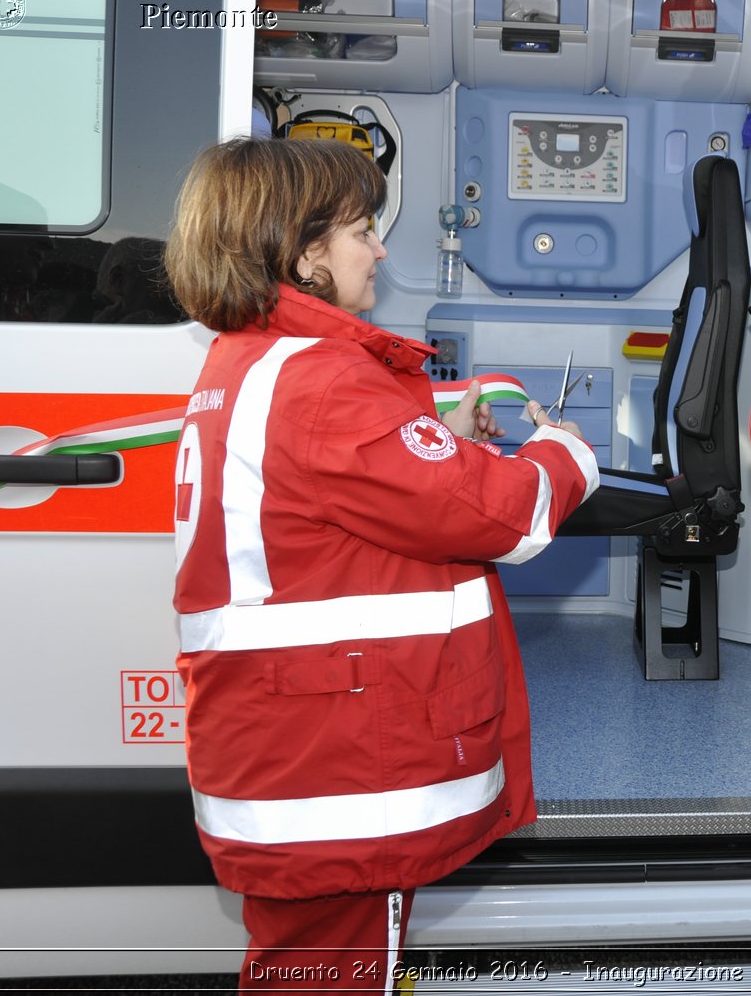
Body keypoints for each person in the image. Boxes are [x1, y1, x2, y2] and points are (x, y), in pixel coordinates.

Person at [164, 137, 598, 991]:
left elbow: (354, 478)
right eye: (362, 229)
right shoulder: (323, 382)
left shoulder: (249, 360)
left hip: (287, 749)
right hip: (333, 766)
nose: (381, 247)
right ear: (304, 254)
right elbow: (501, 514)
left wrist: (439, 427)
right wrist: (562, 453)